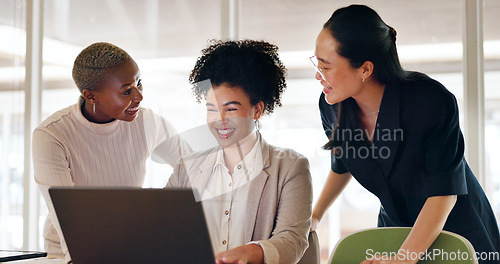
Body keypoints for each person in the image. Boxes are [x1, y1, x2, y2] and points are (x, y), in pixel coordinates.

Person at [310, 4, 500, 264]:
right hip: (395, 231)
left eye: (326, 66)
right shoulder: (333, 106)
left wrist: (404, 259)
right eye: (316, 62)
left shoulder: (430, 100)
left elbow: (444, 193)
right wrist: (316, 215)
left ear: (365, 69)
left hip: (455, 231)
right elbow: (343, 164)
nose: (318, 75)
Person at [33, 42, 192, 262]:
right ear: (91, 96)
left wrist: (161, 208)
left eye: (139, 83)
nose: (139, 96)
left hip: (129, 245)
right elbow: (65, 214)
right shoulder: (52, 135)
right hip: (69, 251)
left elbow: (195, 166)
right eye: (127, 91)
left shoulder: (148, 122)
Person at [166, 40, 313, 264]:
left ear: (257, 110)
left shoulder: (291, 167)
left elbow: (292, 238)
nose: (220, 120)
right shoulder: (185, 168)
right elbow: (163, 229)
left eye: (231, 109)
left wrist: (254, 252)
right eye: (212, 109)